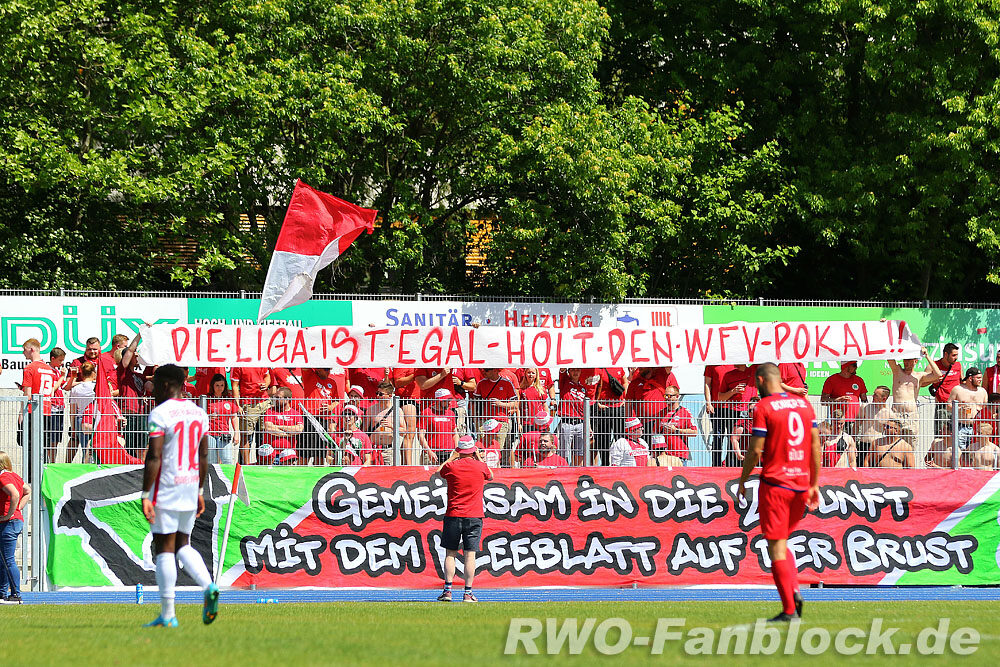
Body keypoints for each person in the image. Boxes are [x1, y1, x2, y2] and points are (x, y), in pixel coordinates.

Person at [737, 363, 821, 623]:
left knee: (775, 546)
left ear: (761, 380)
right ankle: (793, 591)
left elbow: (755, 450)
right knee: (782, 543)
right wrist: (815, 483)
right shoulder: (804, 405)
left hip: (776, 483)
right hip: (801, 484)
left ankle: (789, 609)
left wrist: (743, 478)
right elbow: (815, 445)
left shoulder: (764, 407)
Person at [139, 364, 219, 628]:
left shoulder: (160, 413)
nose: (152, 390)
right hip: (190, 484)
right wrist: (199, 490)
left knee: (164, 546)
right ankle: (208, 586)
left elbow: (154, 455)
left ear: (165, 385)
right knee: (183, 543)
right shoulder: (199, 412)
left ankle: (168, 614)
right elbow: (204, 455)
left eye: (154, 385)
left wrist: (146, 493)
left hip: (167, 485)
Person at [436, 435, 493, 603]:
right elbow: (491, 475)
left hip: (453, 515)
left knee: (450, 554)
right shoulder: (480, 467)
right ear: (473, 450)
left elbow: (439, 472)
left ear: (459, 450)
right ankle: (468, 593)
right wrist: (479, 458)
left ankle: (447, 591)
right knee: (470, 556)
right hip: (474, 515)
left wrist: (452, 457)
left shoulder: (451, 466)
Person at [888, 346, 941, 443]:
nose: (906, 362)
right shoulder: (897, 371)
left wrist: (927, 356)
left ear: (915, 361)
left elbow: (938, 375)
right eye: (905, 359)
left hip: (911, 416)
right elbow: (889, 357)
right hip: (896, 414)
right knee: (893, 443)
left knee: (911, 444)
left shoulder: (919, 376)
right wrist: (897, 346)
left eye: (909, 360)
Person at [0, 451, 29, 604]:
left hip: (9, 522)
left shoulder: (3, 477)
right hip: (14, 521)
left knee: (8, 560)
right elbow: (27, 491)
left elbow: (15, 494)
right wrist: (18, 508)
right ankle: (2, 594)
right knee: (4, 559)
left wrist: (9, 514)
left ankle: (16, 595)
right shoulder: (14, 476)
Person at [474, 368, 518, 466]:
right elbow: (475, 403)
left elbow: (516, 404)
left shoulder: (507, 383)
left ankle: (498, 469)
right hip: (484, 421)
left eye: (486, 370)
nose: (483, 372)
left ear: (495, 370)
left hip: (501, 421)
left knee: (498, 450)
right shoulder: (481, 383)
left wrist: (501, 404)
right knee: (483, 449)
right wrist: (476, 420)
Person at [230, 366, 271, 463]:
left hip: (264, 402)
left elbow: (267, 376)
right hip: (249, 404)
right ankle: (246, 465)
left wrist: (266, 384)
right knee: (246, 436)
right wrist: (237, 404)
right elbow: (235, 385)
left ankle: (263, 463)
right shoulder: (238, 365)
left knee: (265, 435)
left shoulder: (259, 361)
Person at [556, 368, 594, 466]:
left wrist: (588, 426)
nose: (575, 372)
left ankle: (577, 471)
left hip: (580, 423)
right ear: (569, 371)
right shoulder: (564, 382)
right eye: (572, 370)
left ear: (581, 372)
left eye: (577, 370)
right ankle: (563, 470)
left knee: (580, 452)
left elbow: (586, 409)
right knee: (564, 452)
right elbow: (562, 369)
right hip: (567, 422)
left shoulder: (583, 387)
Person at [592, 367, 627, 466]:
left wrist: (625, 398)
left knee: (620, 439)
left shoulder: (619, 368)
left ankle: (621, 464)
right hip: (603, 409)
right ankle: (605, 464)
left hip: (618, 408)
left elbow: (625, 382)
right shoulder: (598, 369)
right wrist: (597, 402)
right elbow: (594, 386)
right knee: (603, 440)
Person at [949, 367, 988, 454]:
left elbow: (986, 409)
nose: (980, 380)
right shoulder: (958, 389)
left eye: (981, 378)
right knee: (960, 453)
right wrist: (959, 409)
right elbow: (948, 406)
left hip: (977, 428)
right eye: (978, 378)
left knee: (975, 453)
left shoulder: (983, 391)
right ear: (970, 378)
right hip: (961, 426)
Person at [259, 387, 303, 465]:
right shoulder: (270, 411)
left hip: (288, 454)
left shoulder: (295, 413)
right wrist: (289, 434)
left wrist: (279, 427)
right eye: (275, 397)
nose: (275, 400)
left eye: (278, 398)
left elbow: (299, 429)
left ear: (287, 399)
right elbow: (269, 428)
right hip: (271, 454)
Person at [820, 361, 868, 432]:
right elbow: (823, 401)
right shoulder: (831, 380)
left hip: (856, 420)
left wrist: (865, 415)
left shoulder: (859, 380)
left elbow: (864, 400)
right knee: (839, 439)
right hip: (838, 421)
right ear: (846, 366)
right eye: (854, 365)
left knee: (855, 439)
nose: (856, 367)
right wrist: (837, 400)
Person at [703, 364, 735, 467]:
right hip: (716, 407)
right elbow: (707, 384)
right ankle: (716, 465)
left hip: (733, 407)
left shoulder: (736, 362)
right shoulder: (712, 364)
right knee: (717, 436)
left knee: (732, 437)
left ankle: (730, 464)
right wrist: (708, 403)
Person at [389, 368, 421, 465]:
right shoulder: (403, 364)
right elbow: (397, 382)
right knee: (409, 433)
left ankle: (406, 464)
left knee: (412, 434)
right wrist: (415, 375)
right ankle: (408, 465)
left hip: (420, 398)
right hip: (408, 398)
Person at [67, 362, 98, 463]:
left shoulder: (76, 389)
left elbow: (72, 410)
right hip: (94, 418)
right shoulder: (96, 387)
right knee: (95, 449)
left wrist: (73, 428)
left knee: (85, 449)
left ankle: (85, 465)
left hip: (80, 419)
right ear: (93, 373)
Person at [418, 388, 459, 464]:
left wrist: (456, 450)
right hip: (432, 453)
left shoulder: (451, 413)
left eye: (450, 400)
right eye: (446, 401)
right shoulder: (427, 413)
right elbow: (421, 435)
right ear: (438, 401)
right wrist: (429, 451)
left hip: (449, 453)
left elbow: (455, 433)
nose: (449, 403)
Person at [205, 374, 239, 464]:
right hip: (210, 433)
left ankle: (228, 474)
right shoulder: (207, 398)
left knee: (227, 460)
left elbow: (234, 417)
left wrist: (236, 433)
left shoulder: (229, 399)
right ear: (213, 386)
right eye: (217, 385)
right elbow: (200, 415)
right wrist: (208, 416)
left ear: (225, 386)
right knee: (211, 461)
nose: (219, 388)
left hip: (224, 433)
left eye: (222, 385)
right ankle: (211, 474)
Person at [931, 343, 962, 433]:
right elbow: (922, 382)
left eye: (957, 355)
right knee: (941, 434)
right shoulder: (934, 365)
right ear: (945, 354)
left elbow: (962, 381)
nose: (956, 358)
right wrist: (933, 380)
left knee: (956, 435)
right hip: (942, 407)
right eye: (953, 355)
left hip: (955, 406)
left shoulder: (958, 365)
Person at [660, 386, 697, 463]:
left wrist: (676, 430)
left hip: (679, 455)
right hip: (664, 456)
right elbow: (655, 433)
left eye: (669, 396)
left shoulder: (685, 412)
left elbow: (694, 432)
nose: (666, 398)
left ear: (677, 396)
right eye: (665, 395)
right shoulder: (661, 413)